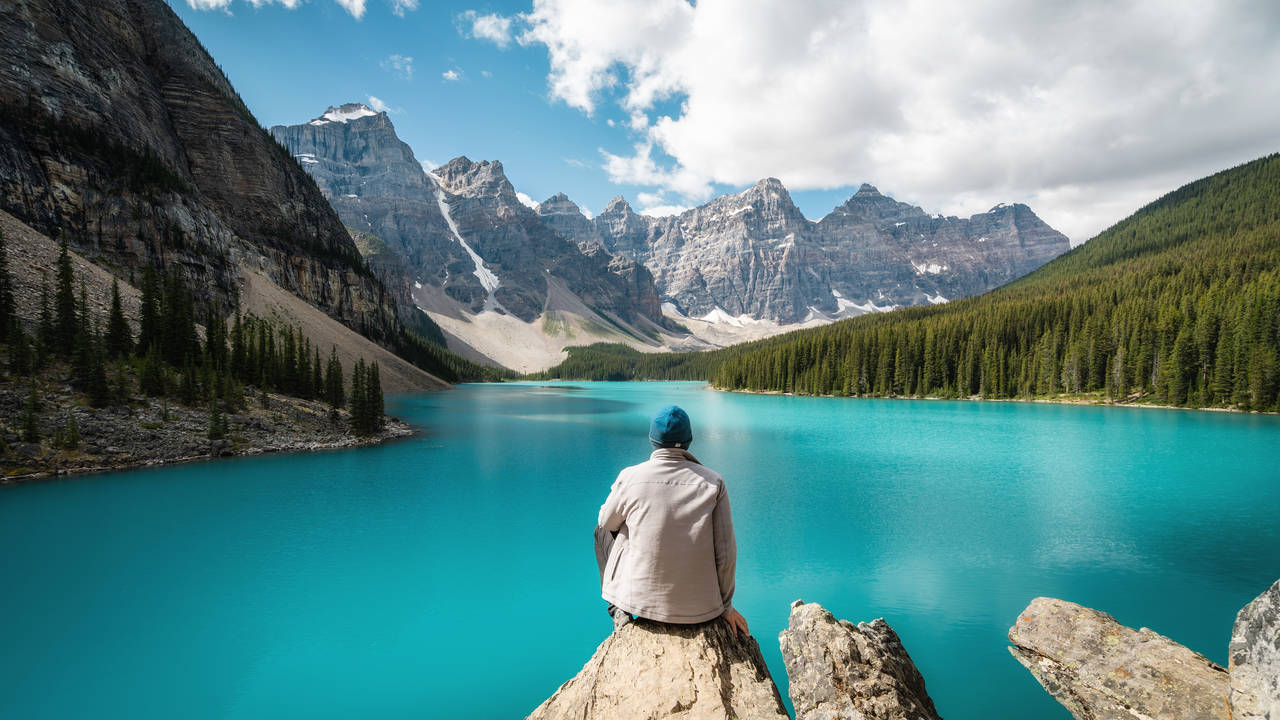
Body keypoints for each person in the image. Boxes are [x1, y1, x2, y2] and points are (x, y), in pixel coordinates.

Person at [594, 405, 749, 636]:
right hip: (702, 610)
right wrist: (726, 607)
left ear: (652, 439)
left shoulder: (631, 476)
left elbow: (607, 523)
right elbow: (726, 552)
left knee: (603, 530)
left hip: (640, 604)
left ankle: (618, 608)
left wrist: (620, 495)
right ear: (689, 440)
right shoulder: (714, 482)